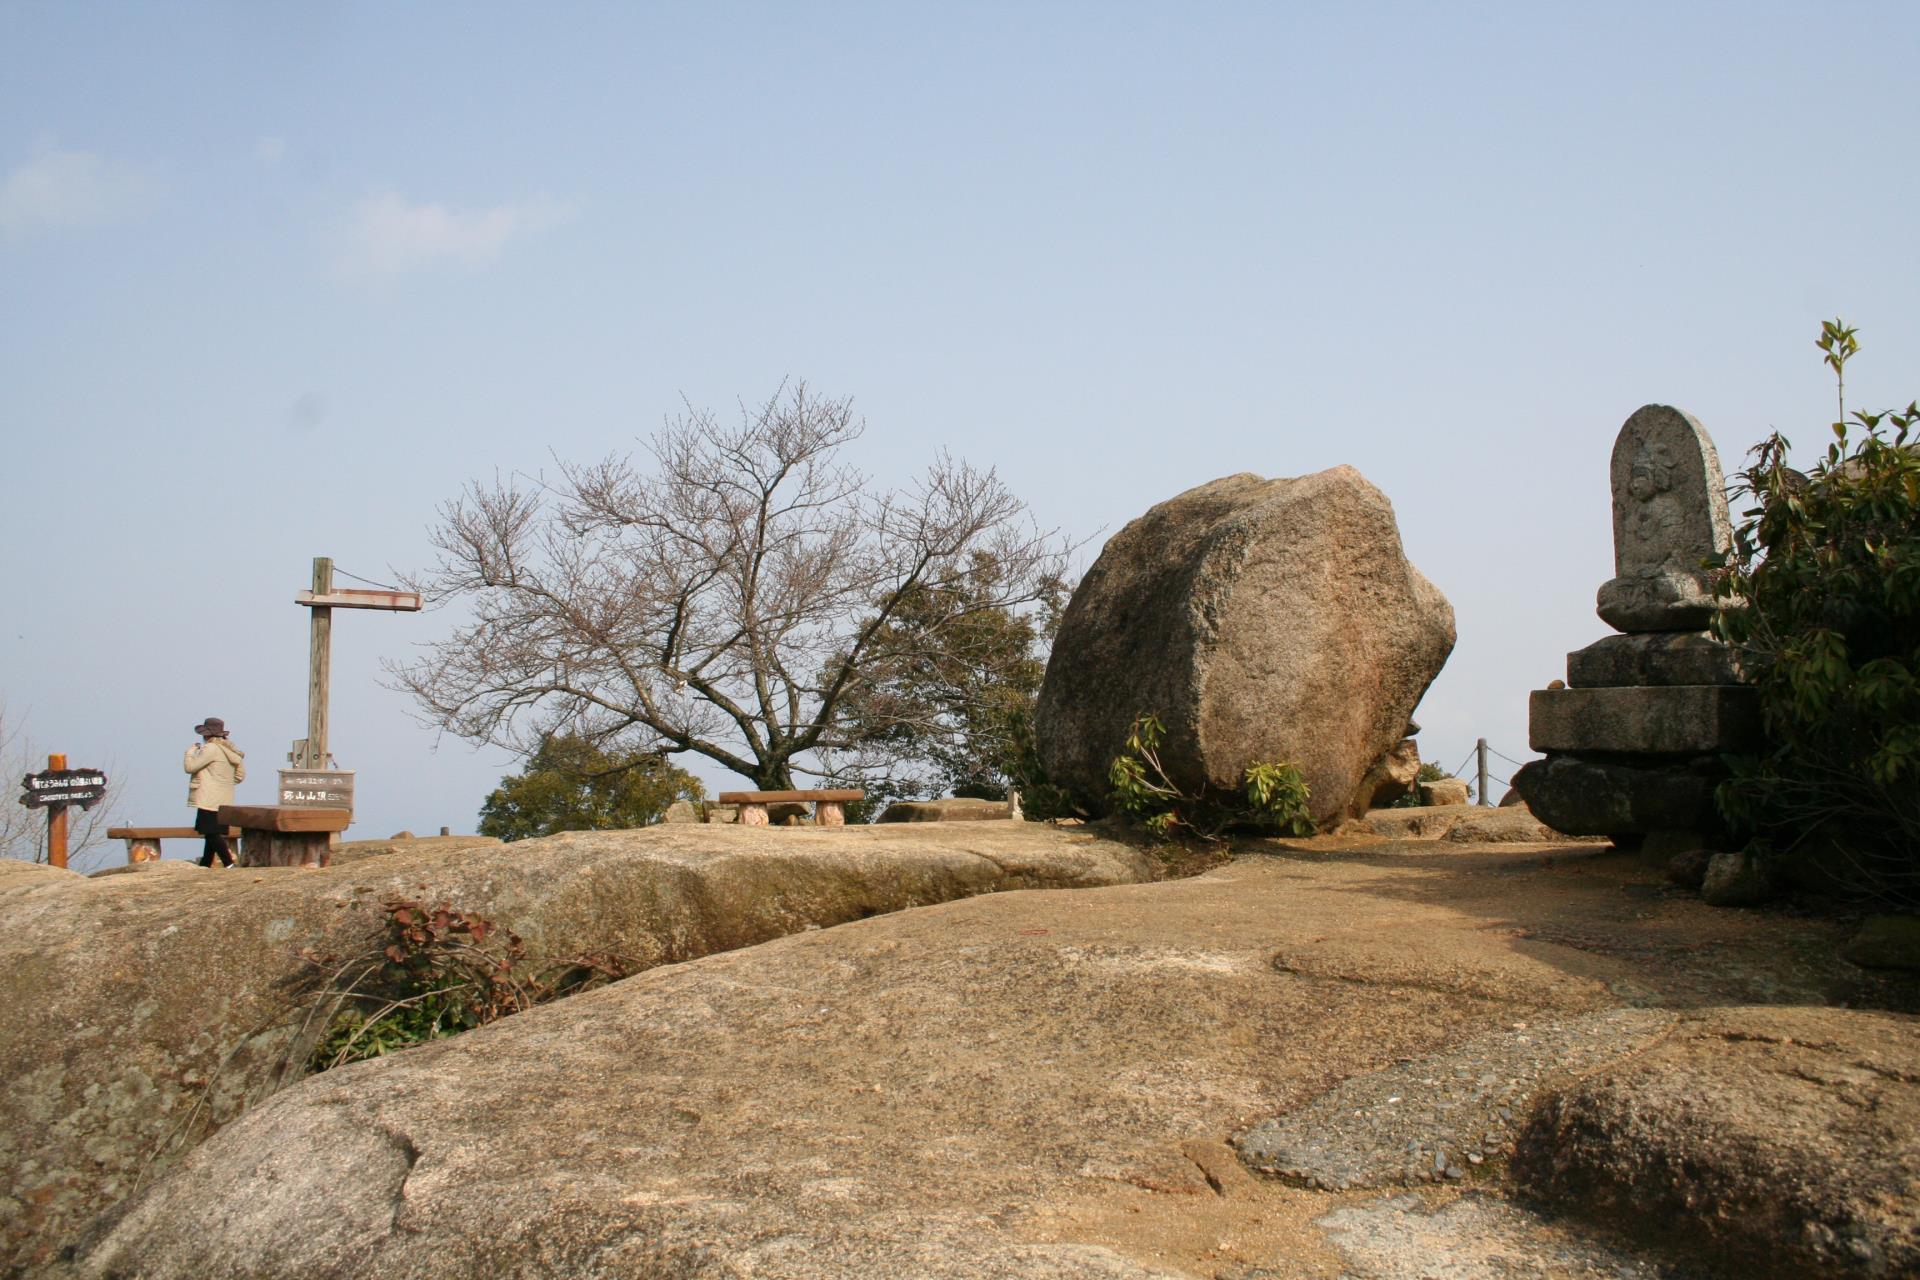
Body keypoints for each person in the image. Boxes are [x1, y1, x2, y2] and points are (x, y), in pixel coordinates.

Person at [183, 717, 246, 867]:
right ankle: (205, 863)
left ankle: (228, 863)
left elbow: (190, 767)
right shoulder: (230, 750)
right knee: (212, 832)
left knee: (211, 832)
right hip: (223, 799)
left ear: (206, 734)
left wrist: (190, 752)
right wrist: (223, 784)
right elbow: (239, 775)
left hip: (207, 797)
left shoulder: (211, 749)